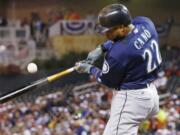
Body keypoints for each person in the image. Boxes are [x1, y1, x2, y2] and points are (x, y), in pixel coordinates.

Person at [75, 3, 162, 135]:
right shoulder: (146, 23)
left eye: (109, 31)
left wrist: (90, 68)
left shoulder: (118, 54)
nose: (106, 35)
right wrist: (102, 48)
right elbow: (130, 37)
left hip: (133, 100)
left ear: (121, 27)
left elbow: (106, 80)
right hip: (152, 96)